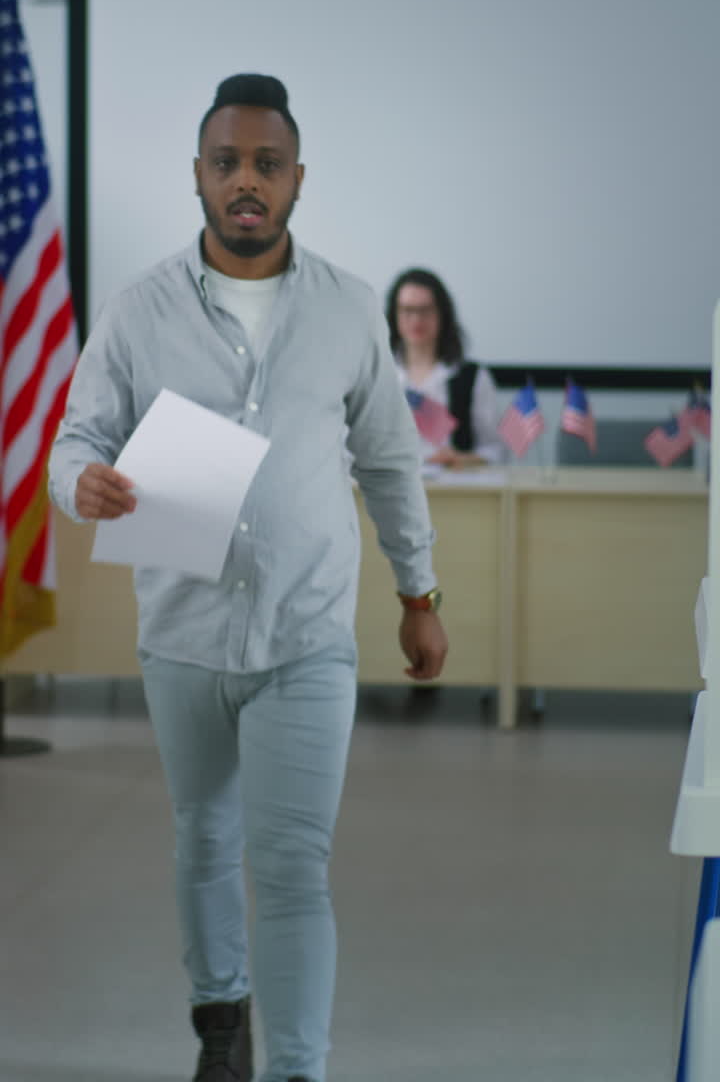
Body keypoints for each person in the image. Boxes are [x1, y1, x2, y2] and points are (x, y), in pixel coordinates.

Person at [48, 74, 448, 1082]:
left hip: (307, 633)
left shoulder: (350, 309)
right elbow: (76, 437)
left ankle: (297, 1068)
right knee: (202, 835)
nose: (246, 182)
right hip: (183, 629)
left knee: (290, 866)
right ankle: (220, 1018)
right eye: (226, 162)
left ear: (297, 178)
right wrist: (76, 483)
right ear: (198, 174)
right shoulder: (138, 309)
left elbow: (392, 462)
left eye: (267, 164)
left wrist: (418, 595)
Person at [386, 267, 505, 467]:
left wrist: (464, 459)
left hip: (455, 491)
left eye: (425, 310)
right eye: (407, 310)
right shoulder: (374, 375)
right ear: (394, 315)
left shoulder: (473, 378)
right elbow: (348, 450)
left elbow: (496, 449)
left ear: (442, 314)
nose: (416, 319)